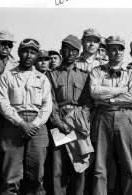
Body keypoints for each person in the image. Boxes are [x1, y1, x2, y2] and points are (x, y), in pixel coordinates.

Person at [0, 38, 52, 194]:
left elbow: (47, 106)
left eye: (33, 52)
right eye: (26, 51)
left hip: (38, 127)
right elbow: (4, 104)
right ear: (19, 53)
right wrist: (22, 123)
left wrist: (33, 125)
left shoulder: (42, 78)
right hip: (13, 125)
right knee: (10, 177)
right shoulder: (7, 77)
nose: (29, 55)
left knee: (36, 176)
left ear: (36, 56)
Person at [90, 36, 132, 195]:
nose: (117, 52)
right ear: (107, 51)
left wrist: (109, 99)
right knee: (100, 166)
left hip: (125, 117)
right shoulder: (97, 71)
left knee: (128, 165)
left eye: (120, 49)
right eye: (113, 49)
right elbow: (94, 92)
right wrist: (120, 91)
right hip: (103, 117)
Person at [47, 34, 93, 195]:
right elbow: (50, 102)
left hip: (78, 125)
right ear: (61, 51)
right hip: (59, 125)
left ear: (77, 53)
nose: (69, 53)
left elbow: (88, 102)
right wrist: (59, 123)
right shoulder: (51, 75)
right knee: (58, 168)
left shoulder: (85, 75)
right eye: (66, 49)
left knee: (79, 166)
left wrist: (78, 121)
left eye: (73, 50)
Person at [0, 30, 18, 194]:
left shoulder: (16, 65)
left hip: (9, 119)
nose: (6, 47)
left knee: (7, 156)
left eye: (9, 44)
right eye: (3, 43)